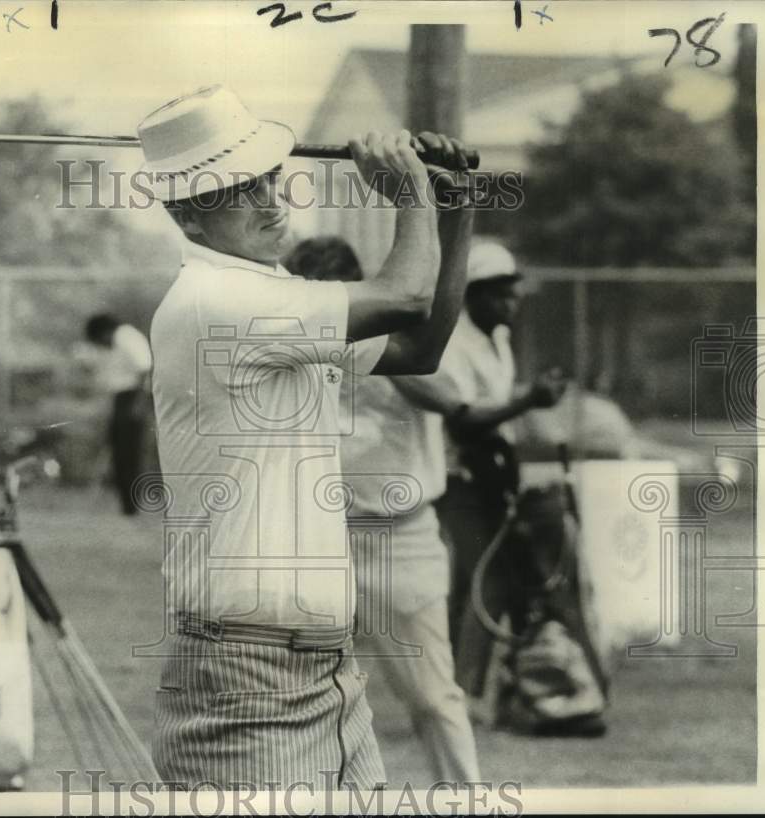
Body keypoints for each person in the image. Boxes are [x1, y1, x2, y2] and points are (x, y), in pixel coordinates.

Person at [141, 84, 474, 789]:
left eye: (266, 177)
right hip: (245, 669)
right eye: (235, 189)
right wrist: (410, 192)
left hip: (323, 665)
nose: (268, 201)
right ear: (183, 213)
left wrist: (456, 207)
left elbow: (419, 348)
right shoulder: (219, 300)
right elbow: (407, 296)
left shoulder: (273, 291)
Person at [285, 237, 479, 784]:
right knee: (303, 698)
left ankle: (463, 797)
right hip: (320, 539)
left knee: (433, 696)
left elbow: (452, 400)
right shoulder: (293, 343)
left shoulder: (403, 342)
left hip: (402, 537)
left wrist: (365, 339)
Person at [388, 241, 567, 702]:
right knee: (490, 580)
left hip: (492, 472)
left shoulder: (499, 339)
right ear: (474, 296)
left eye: (514, 292)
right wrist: (528, 401)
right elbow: (464, 420)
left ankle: (460, 687)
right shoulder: (453, 343)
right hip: (459, 475)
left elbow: (496, 406)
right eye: (500, 293)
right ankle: (463, 692)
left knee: (473, 582)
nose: (512, 302)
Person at [83, 312, 153, 515]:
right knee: (119, 452)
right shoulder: (113, 345)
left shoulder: (126, 336)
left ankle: (132, 505)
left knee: (130, 453)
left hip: (134, 397)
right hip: (121, 398)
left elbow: (144, 369)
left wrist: (138, 404)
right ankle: (127, 505)